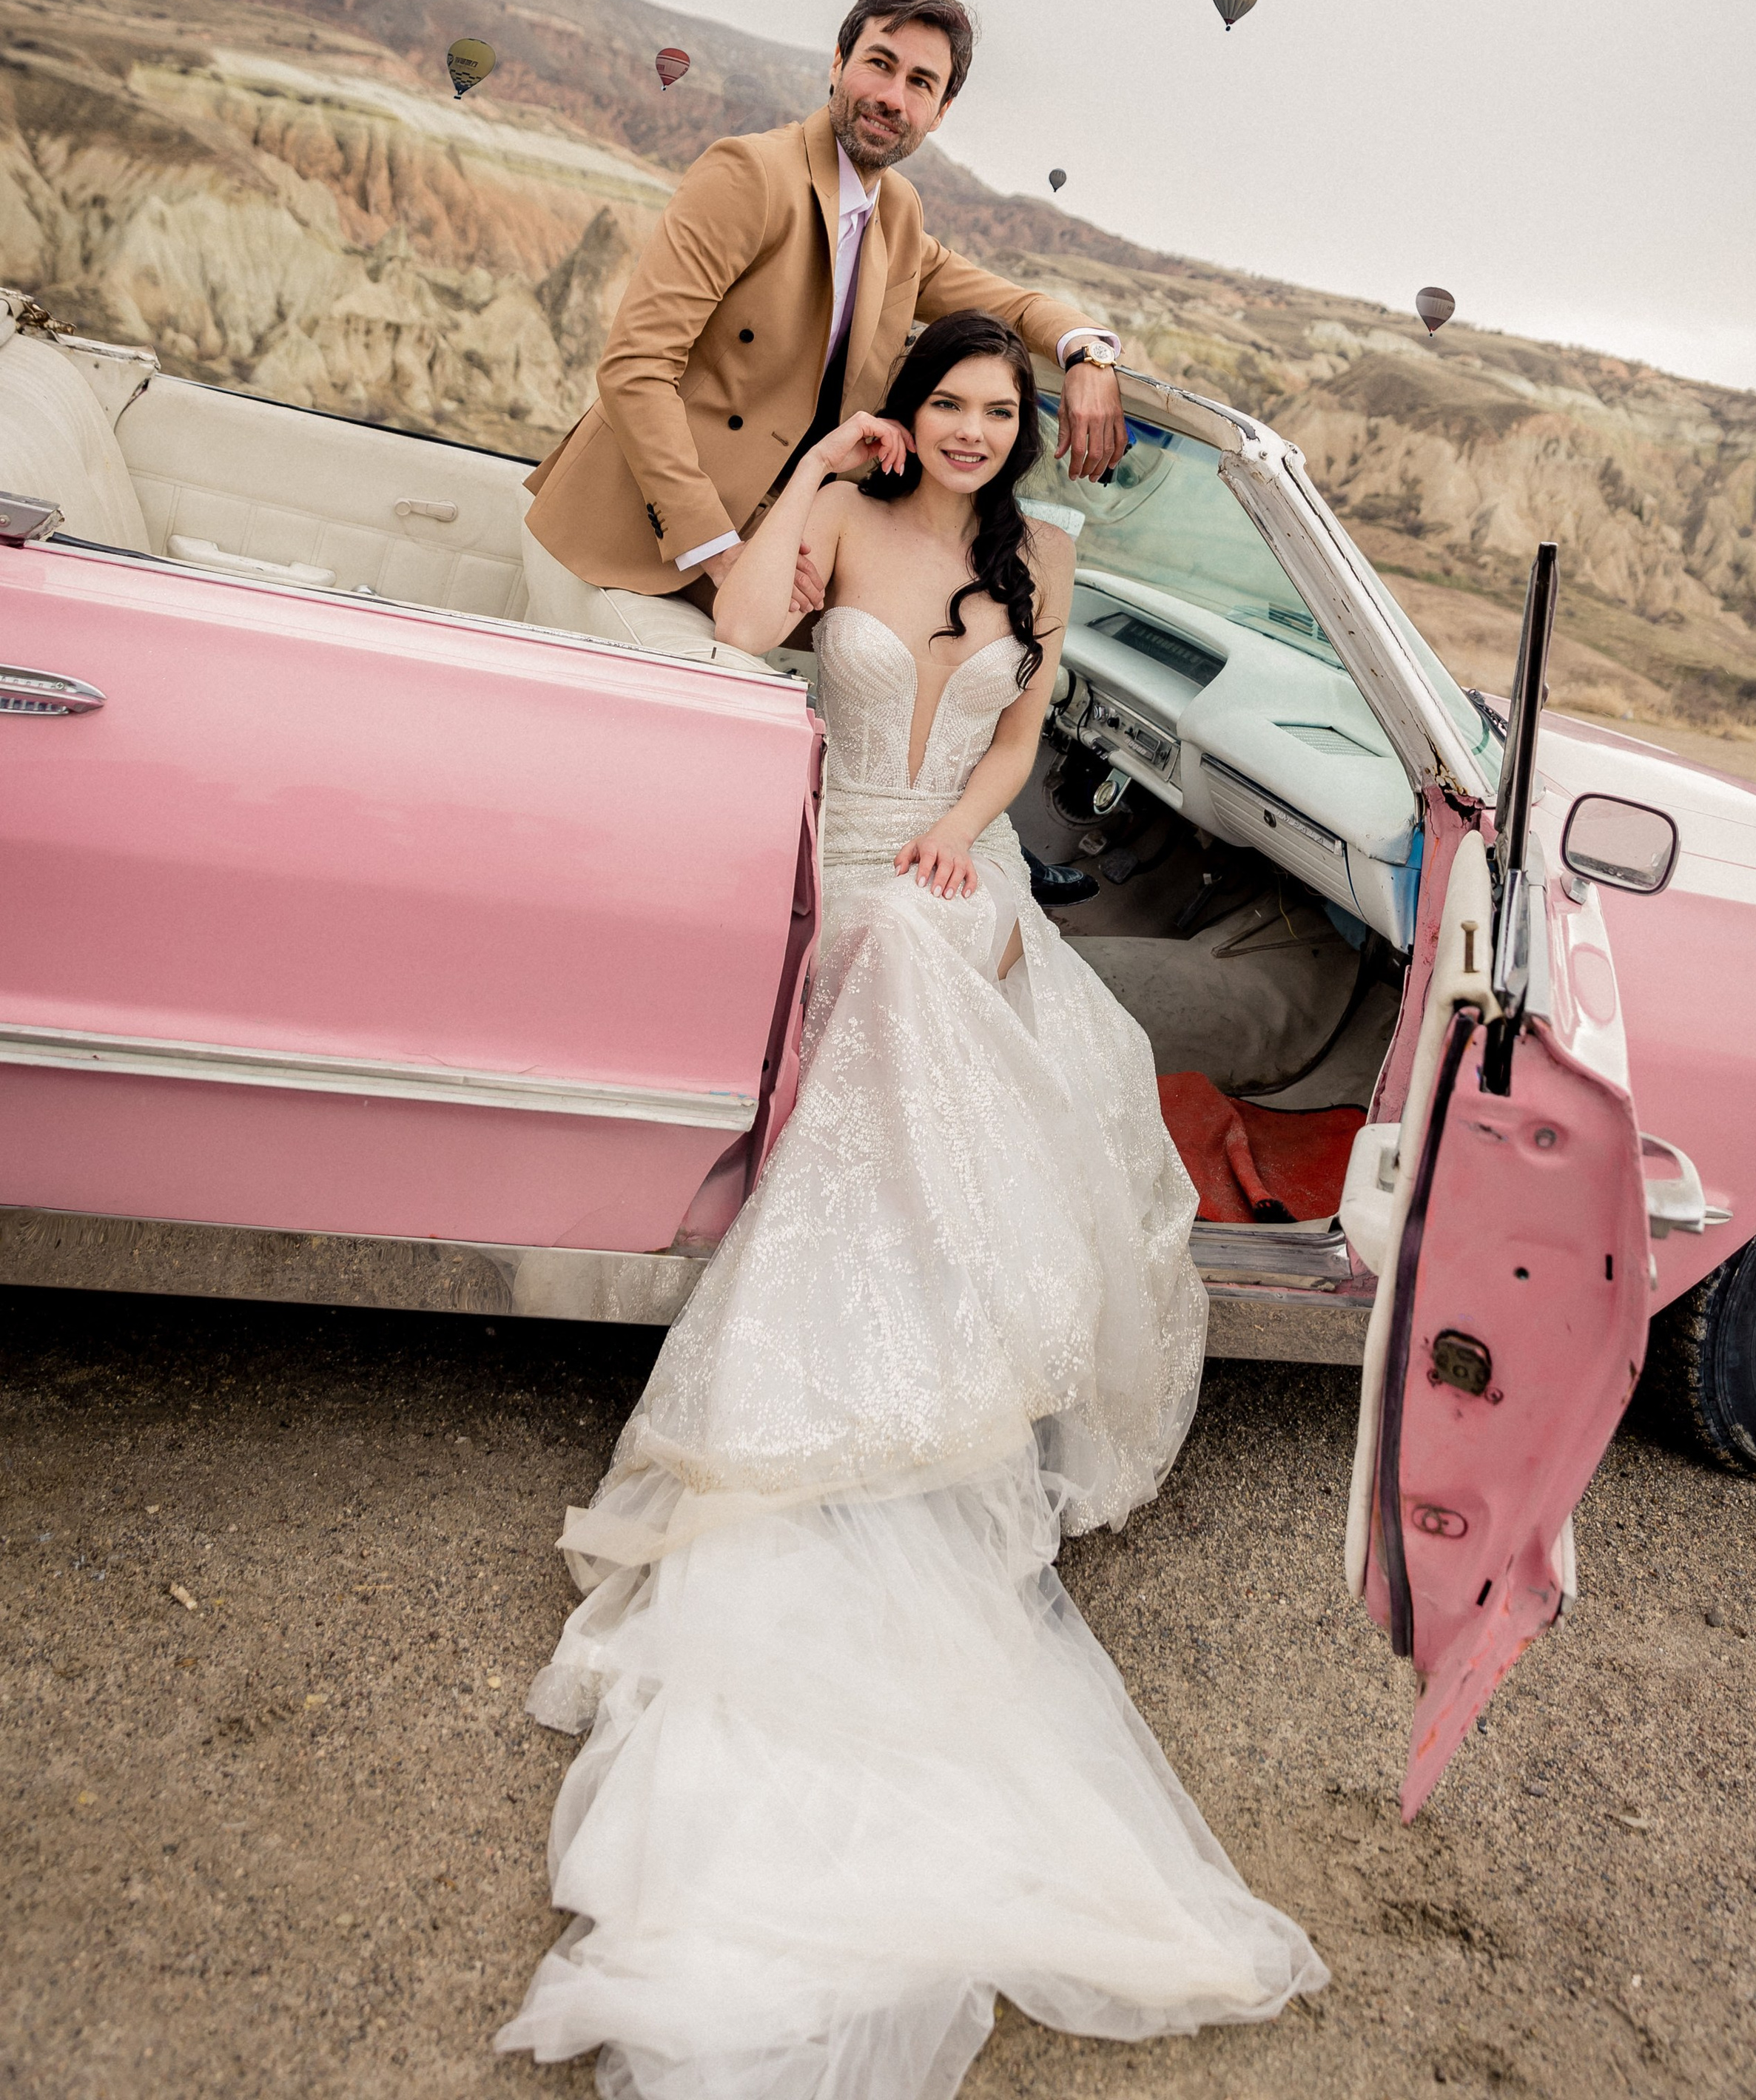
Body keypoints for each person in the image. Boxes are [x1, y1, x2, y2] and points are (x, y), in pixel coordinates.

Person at [497, 312, 1328, 2100]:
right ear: (907, 415)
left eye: (993, 410)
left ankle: (953, 1353)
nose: (968, 429)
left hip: (953, 857)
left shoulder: (1031, 552)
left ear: (1019, 431)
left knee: (976, 962)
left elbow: (1021, 738)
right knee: (911, 968)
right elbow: (739, 632)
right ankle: (899, 1363)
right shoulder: (847, 519)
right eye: (944, 405)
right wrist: (806, 467)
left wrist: (967, 825)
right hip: (839, 863)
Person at [519, 0, 1128, 662]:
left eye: (921, 83)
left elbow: (1012, 304)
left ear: (941, 110)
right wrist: (721, 551)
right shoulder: (749, 175)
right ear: (837, 63)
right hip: (635, 537)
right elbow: (636, 369)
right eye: (880, 63)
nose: (892, 97)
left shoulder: (896, 214)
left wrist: (1087, 353)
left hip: (772, 537)